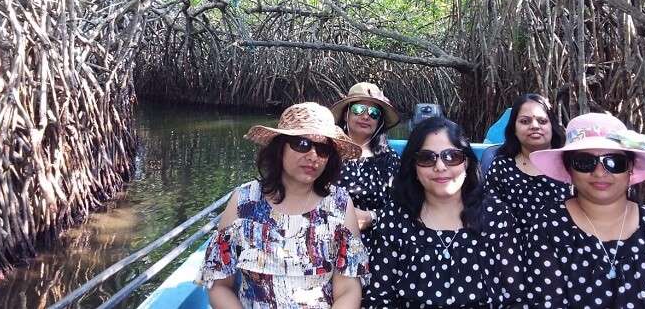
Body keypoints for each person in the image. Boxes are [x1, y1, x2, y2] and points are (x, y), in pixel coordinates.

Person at [197, 102, 370, 309]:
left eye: (323, 149)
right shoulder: (244, 200)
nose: (313, 156)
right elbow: (219, 284)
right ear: (280, 148)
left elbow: (348, 289)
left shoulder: (340, 205)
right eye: (302, 144)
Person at [524, 112, 645, 308]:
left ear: (630, 168)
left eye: (614, 162)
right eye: (584, 162)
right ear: (569, 169)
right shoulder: (547, 228)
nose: (600, 172)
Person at [364, 116, 525, 308]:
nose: (440, 167)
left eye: (452, 156)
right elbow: (378, 298)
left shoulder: (495, 216)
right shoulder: (396, 217)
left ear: (466, 162)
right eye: (426, 158)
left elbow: (515, 298)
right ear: (413, 166)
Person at [330, 82, 400, 245]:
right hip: (328, 236)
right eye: (359, 110)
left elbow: (404, 208)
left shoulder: (390, 159)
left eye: (374, 113)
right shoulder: (326, 153)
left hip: (376, 241)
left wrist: (371, 217)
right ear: (346, 114)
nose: (366, 116)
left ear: (379, 121)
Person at [483, 93, 570, 224]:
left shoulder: (570, 164)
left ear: (552, 126)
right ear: (514, 129)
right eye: (525, 121)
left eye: (542, 121)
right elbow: (491, 217)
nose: (535, 126)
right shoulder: (500, 167)